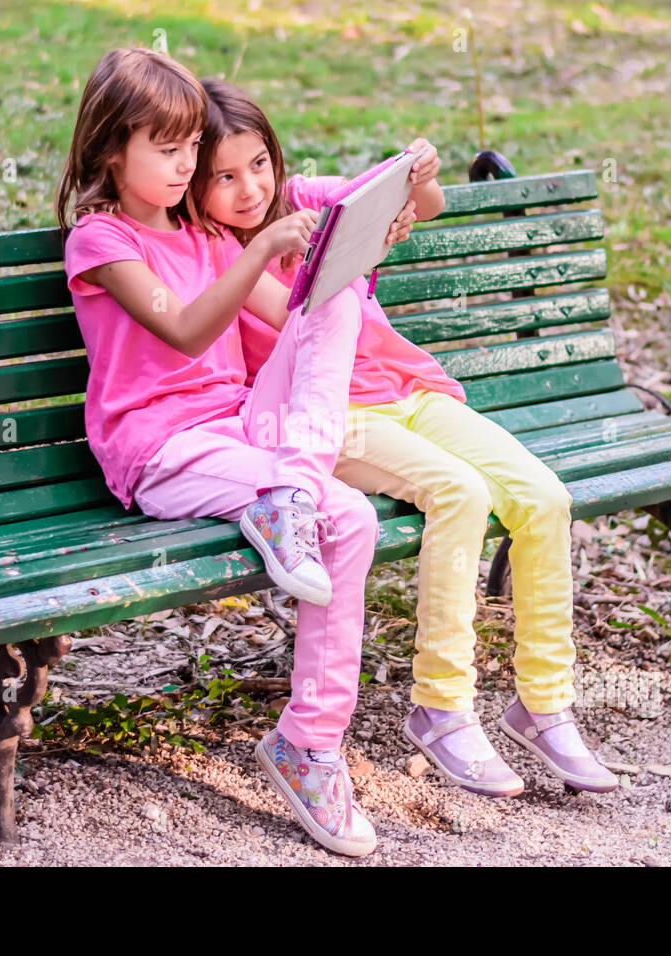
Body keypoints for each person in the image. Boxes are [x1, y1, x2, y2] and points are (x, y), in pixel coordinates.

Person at [185, 77, 619, 798]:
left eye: (258, 164)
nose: (249, 188)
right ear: (194, 185)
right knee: (460, 493)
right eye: (223, 177)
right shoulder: (215, 252)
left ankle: (544, 702)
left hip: (408, 387)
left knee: (543, 498)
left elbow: (418, 205)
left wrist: (416, 178)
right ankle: (442, 707)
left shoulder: (300, 195)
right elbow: (302, 309)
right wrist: (301, 248)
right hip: (327, 420)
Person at [56, 49, 387, 855]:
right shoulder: (101, 241)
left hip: (250, 437)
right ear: (110, 151)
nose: (183, 167)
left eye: (186, 151)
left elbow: (292, 314)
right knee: (336, 518)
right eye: (164, 151)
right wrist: (253, 247)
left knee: (356, 514)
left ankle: (305, 743)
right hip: (162, 451)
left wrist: (356, 244)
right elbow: (186, 327)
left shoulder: (204, 234)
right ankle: (291, 498)